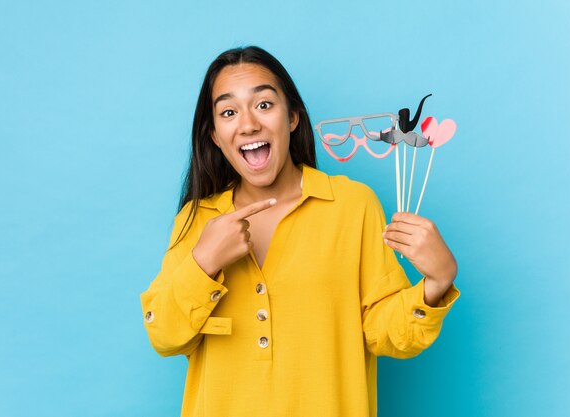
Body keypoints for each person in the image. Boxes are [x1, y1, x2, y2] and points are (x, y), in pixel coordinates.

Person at [140, 46, 460, 417]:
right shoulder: (196, 219)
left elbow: (385, 332)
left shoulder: (352, 205)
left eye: (263, 105)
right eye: (228, 112)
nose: (247, 124)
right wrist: (205, 261)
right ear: (214, 135)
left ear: (292, 117)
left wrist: (436, 283)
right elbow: (163, 335)